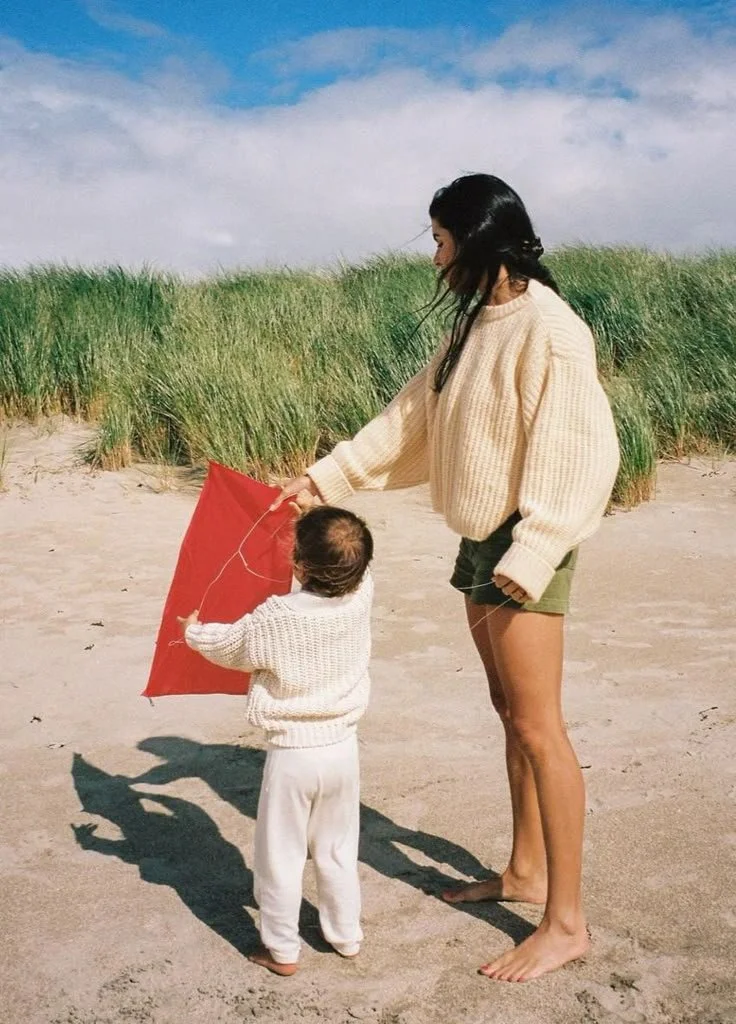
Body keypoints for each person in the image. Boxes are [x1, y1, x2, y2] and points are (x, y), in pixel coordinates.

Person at [273, 173, 620, 982]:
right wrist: (325, 479)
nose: (434, 257)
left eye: (439, 239)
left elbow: (581, 453)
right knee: (509, 711)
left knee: (541, 726)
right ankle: (525, 872)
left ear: (479, 237)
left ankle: (567, 922)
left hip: (523, 541)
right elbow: (410, 417)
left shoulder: (552, 329)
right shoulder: (474, 326)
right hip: (477, 541)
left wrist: (531, 553)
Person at [179, 504, 374, 977]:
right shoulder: (362, 595)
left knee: (280, 855)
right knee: (337, 848)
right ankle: (345, 934)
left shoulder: (277, 617)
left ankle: (282, 949)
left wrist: (192, 633)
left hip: (293, 753)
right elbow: (359, 564)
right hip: (343, 749)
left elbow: (229, 647)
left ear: (299, 566)